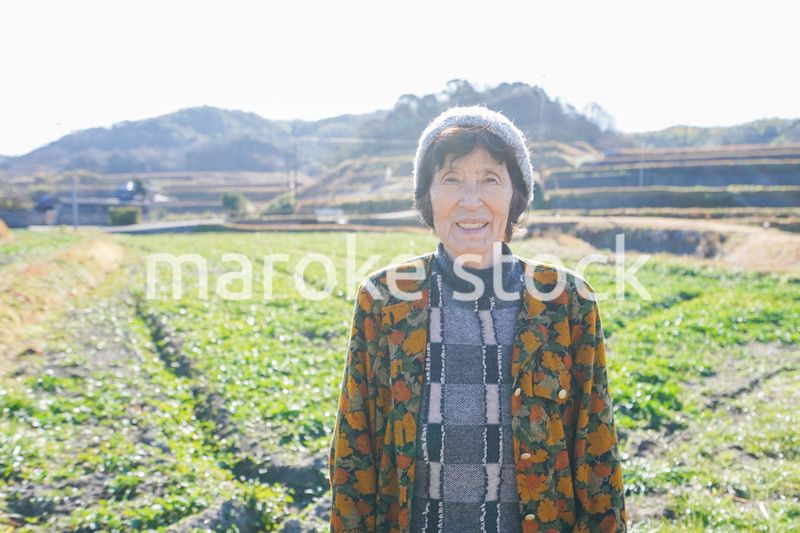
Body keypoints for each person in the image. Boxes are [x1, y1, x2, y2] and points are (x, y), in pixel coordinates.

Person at [329, 105, 627, 532]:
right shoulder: (386, 299)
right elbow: (354, 454)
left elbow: (597, 455)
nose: (471, 201)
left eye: (491, 179)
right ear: (427, 197)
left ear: (516, 195)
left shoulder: (566, 302)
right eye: (451, 179)